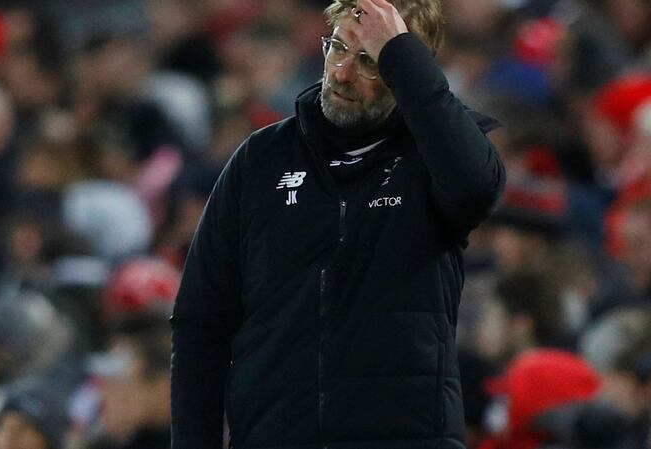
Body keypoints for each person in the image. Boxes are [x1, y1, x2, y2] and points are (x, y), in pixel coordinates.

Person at [170, 0, 505, 448]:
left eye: (369, 60)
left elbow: (476, 188)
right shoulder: (261, 159)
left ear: (406, 70)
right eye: (338, 48)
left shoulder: (433, 158)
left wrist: (401, 53)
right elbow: (201, 324)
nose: (342, 73)